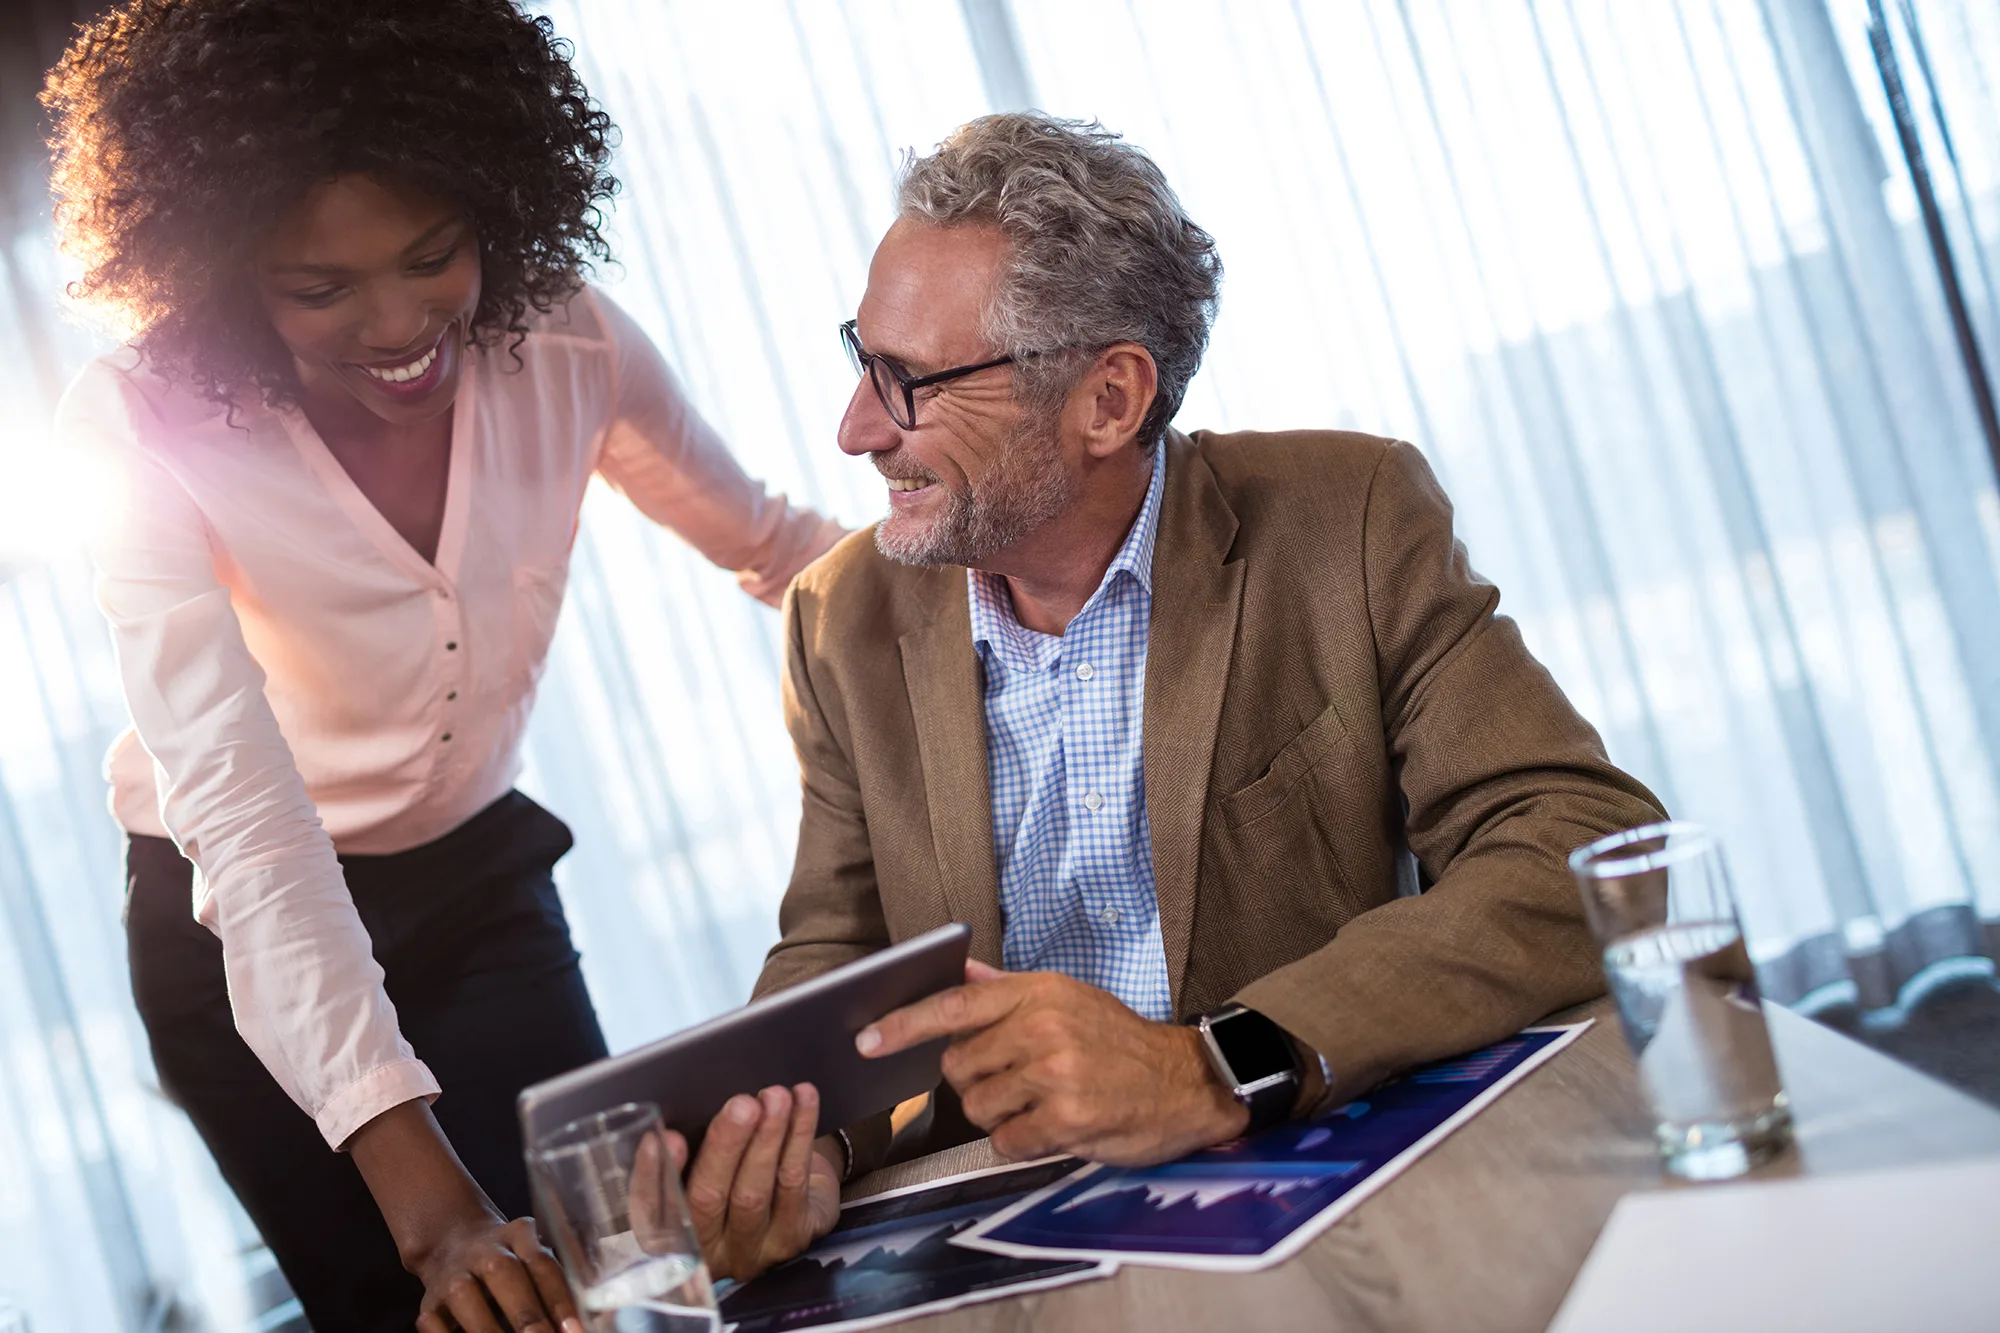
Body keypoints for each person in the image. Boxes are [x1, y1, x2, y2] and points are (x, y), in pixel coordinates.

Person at [663, 111, 1666, 1276]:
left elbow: (1580, 847)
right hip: (1018, 1230)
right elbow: (838, 946)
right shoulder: (839, 619)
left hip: (1319, 1193)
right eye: (860, 358)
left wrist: (1218, 1063)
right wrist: (805, 1142)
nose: (853, 430)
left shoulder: (1345, 520)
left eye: (910, 382)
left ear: (1109, 398)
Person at [43, 3, 841, 1330]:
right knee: (428, 1305)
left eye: (433, 257)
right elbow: (245, 819)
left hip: (476, 883)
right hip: (233, 917)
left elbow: (775, 548)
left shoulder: (570, 342)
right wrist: (434, 1217)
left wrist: (1009, 566)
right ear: (222, 275)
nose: (398, 323)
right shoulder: (140, 427)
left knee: (614, 1276)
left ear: (495, 204)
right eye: (320, 288)